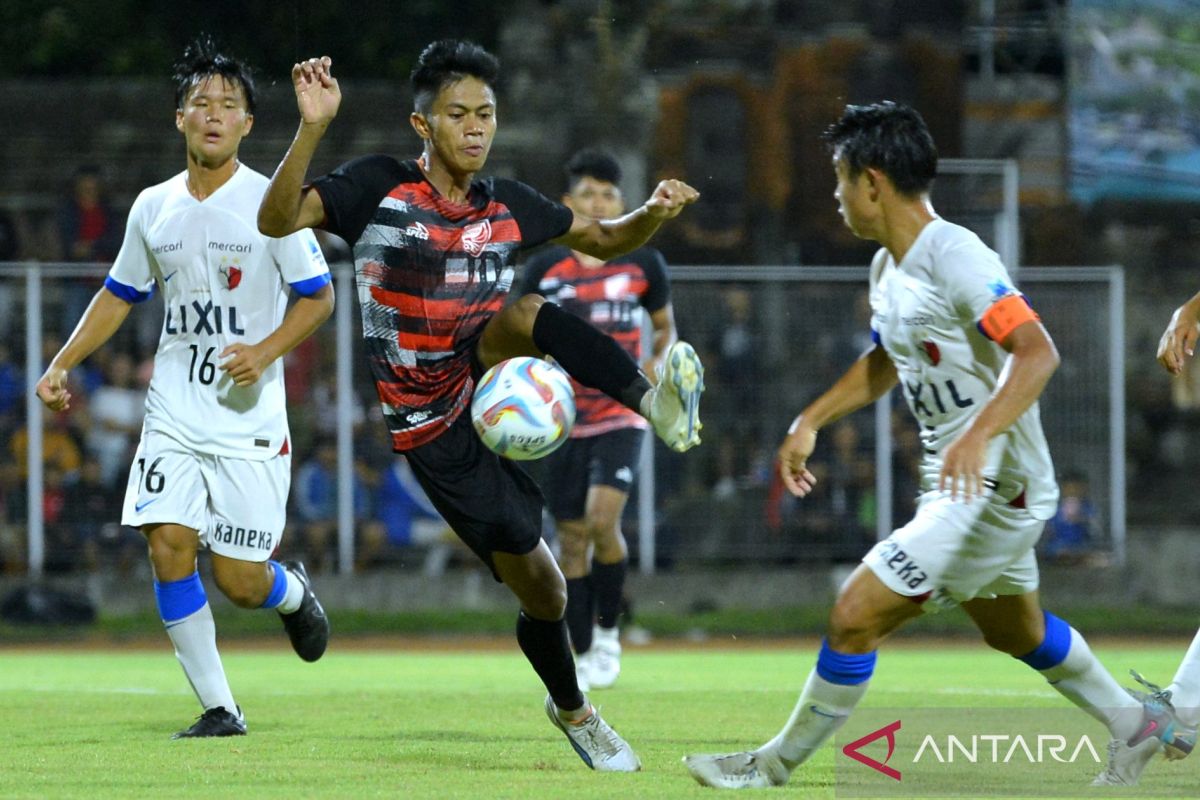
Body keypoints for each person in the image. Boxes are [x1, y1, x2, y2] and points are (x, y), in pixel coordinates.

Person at [682, 101, 1184, 790]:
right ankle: (1136, 729)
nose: (835, 197)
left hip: (989, 489)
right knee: (1016, 630)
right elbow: (889, 360)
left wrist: (978, 434)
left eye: (839, 180)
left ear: (872, 181)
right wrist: (812, 419)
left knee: (853, 614)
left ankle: (768, 769)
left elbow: (1037, 352)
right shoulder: (888, 271)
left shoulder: (956, 254)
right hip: (958, 487)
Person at [257, 40, 705, 772]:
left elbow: (602, 238)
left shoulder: (507, 204)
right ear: (421, 124)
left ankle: (651, 402)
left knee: (527, 308)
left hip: (486, 373)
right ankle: (575, 710)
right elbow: (276, 221)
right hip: (430, 424)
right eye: (457, 114)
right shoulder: (377, 188)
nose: (475, 127)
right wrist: (310, 129)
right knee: (547, 589)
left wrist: (653, 213)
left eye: (486, 114)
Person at [35, 36, 333, 739]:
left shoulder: (273, 204)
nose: (214, 114)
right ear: (179, 118)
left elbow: (317, 298)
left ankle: (289, 592)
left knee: (238, 579)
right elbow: (119, 292)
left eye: (229, 105)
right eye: (201, 102)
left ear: (248, 125)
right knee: (167, 541)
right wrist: (62, 362)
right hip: (174, 410)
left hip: (249, 420)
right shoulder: (152, 207)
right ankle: (220, 708)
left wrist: (263, 352)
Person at [516, 148, 677, 691]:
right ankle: (583, 648)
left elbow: (665, 327)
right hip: (559, 420)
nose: (600, 201)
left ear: (623, 202)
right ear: (568, 203)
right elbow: (521, 332)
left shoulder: (643, 263)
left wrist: (657, 361)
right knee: (571, 538)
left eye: (609, 193)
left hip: (620, 413)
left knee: (603, 520)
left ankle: (610, 634)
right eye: (588, 193)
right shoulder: (543, 267)